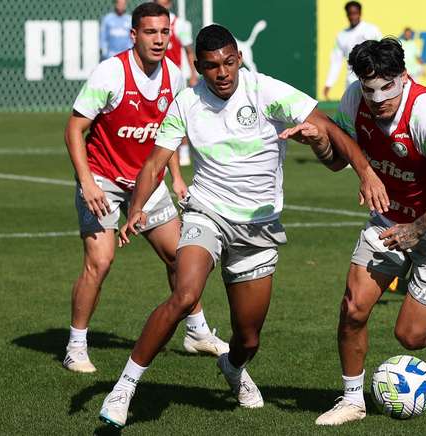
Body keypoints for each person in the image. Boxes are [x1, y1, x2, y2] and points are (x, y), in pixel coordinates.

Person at [98, 24, 389, 429]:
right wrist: (136, 209)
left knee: (248, 338)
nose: (223, 73)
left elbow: (331, 129)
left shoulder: (266, 91)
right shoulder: (186, 102)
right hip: (206, 213)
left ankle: (233, 367)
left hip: (258, 227)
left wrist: (365, 173)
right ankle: (123, 390)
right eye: (213, 66)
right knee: (184, 295)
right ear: (198, 67)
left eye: (230, 62)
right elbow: (153, 163)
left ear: (239, 59)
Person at [312, 38, 426, 426]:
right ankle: (352, 401)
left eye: (387, 87)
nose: (378, 97)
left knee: (412, 337)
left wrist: (417, 229)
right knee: (353, 307)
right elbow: (336, 162)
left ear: (404, 77)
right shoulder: (354, 99)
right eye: (369, 88)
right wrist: (319, 143)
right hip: (388, 220)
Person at [63, 3, 228, 375]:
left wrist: (176, 176)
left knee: (179, 256)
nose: (158, 39)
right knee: (100, 261)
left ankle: (197, 332)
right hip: (102, 177)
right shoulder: (110, 73)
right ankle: (75, 345)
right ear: (134, 35)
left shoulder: (173, 74)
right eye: (150, 32)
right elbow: (74, 129)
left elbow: (164, 134)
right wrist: (88, 182)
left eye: (164, 32)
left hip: (146, 180)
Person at [155, 0, 198, 166]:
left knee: (179, 114)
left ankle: (184, 151)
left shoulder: (180, 25)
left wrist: (193, 74)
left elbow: (189, 51)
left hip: (175, 77)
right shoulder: (152, 23)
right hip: (156, 76)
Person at [323, 1, 381, 100]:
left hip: (372, 78)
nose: (353, 16)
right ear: (347, 14)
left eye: (355, 13)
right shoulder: (341, 35)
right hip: (352, 81)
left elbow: (381, 52)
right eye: (350, 13)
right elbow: (336, 61)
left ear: (360, 13)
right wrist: (329, 83)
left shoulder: (371, 30)